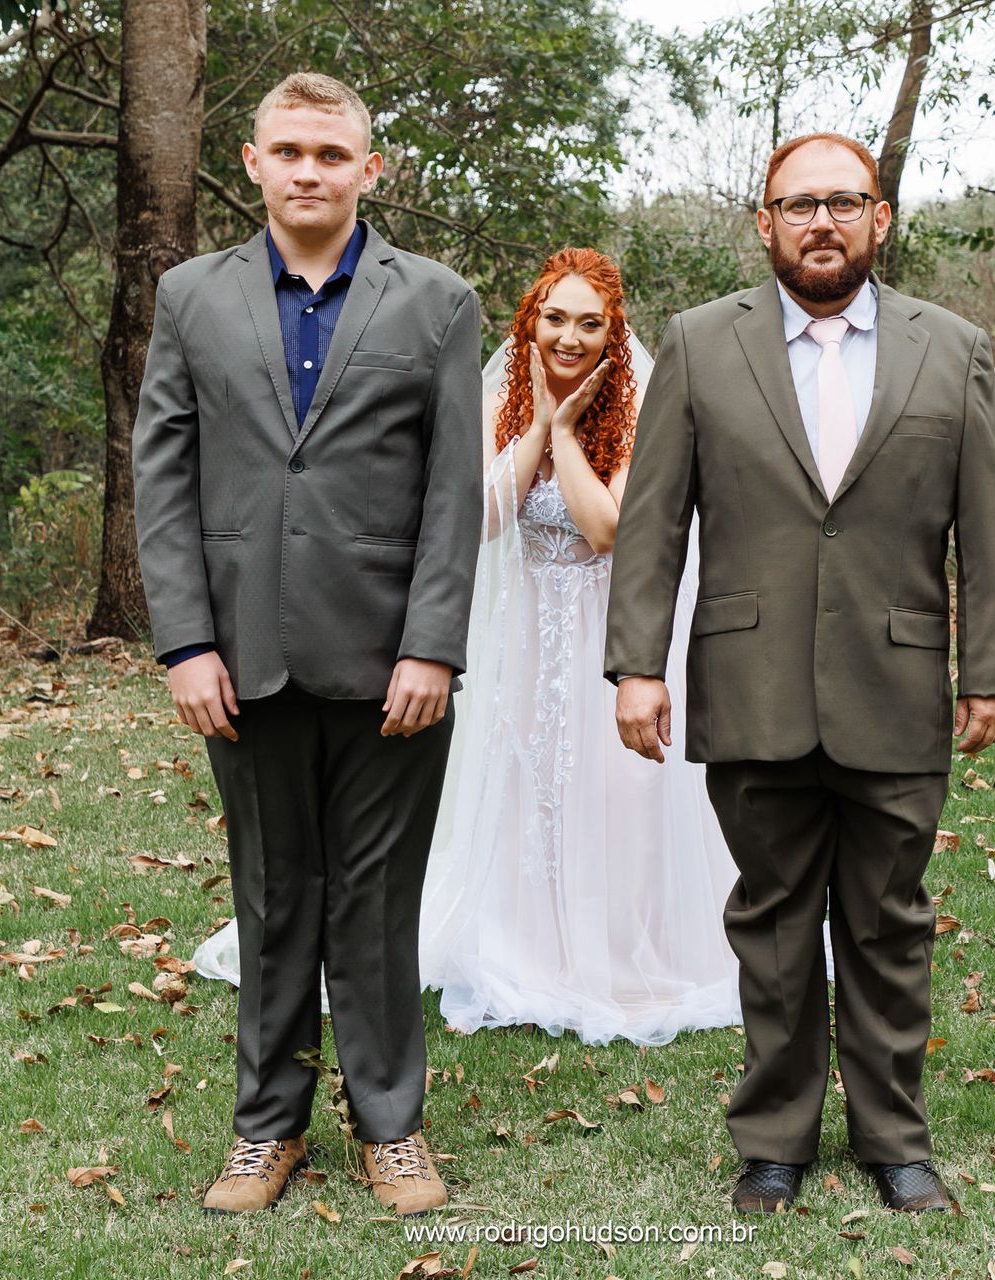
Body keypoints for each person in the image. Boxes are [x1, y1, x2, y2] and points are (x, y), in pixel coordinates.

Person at [604, 132, 995, 1216]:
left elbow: (990, 524)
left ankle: (895, 1135)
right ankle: (776, 1139)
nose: (823, 222)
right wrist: (636, 666)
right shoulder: (702, 345)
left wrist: (990, 667)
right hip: (750, 681)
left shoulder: (954, 347)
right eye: (800, 205)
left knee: (887, 918)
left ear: (881, 219)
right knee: (776, 921)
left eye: (846, 201)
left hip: (895, 680)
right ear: (765, 222)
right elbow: (653, 522)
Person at [194, 250, 745, 1047]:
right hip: (525, 640)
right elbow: (480, 517)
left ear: (613, 333)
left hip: (604, 631)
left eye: (591, 323)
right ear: (531, 323)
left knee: (608, 788)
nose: (571, 336)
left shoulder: (639, 406)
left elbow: (605, 530)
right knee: (524, 782)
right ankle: (524, 943)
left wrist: (565, 438)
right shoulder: (500, 401)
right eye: (556, 318)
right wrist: (538, 425)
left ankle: (609, 951)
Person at [131, 71, 480, 1218]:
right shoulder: (192, 296)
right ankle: (265, 1127)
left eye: (332, 154)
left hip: (393, 662)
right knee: (274, 894)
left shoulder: (435, 301)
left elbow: (451, 487)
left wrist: (433, 643)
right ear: (252, 162)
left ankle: (392, 1126)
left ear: (369, 169)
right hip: (245, 656)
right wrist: (185, 642)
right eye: (289, 151)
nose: (309, 171)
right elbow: (164, 478)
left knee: (376, 899)